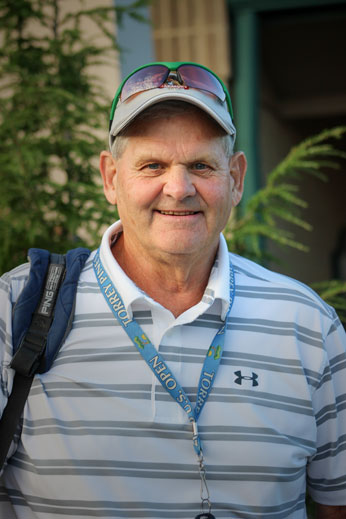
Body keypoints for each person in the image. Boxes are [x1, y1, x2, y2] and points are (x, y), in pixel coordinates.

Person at [0, 61, 345, 519]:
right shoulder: (15, 307)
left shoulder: (309, 324)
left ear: (236, 179)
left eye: (201, 165)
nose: (179, 188)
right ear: (111, 177)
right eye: (152, 165)